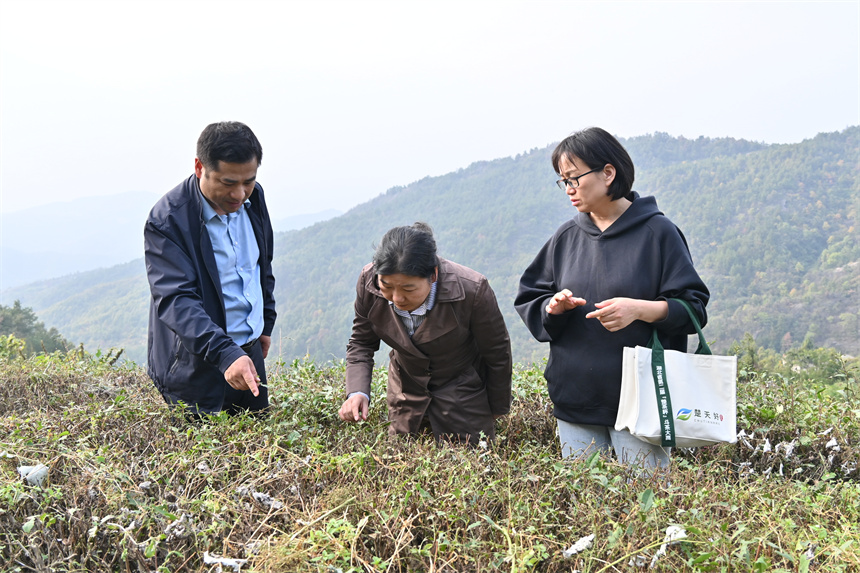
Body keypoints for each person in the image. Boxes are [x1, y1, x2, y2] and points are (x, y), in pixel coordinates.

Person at [514, 127, 709, 468]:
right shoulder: (567, 236)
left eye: (574, 178)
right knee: (586, 508)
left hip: (641, 402)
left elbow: (693, 308)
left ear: (608, 172)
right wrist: (553, 307)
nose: (569, 190)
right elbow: (531, 296)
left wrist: (639, 310)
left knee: (648, 507)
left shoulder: (658, 233)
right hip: (576, 400)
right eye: (563, 181)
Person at [144, 121, 276, 416]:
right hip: (196, 366)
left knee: (257, 450)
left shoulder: (255, 199)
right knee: (205, 457)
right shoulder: (168, 221)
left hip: (249, 356)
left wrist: (265, 323)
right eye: (228, 183)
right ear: (199, 167)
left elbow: (261, 265)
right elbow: (177, 301)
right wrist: (226, 354)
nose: (240, 194)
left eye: (249, 181)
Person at [339, 223, 513, 445]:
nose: (396, 298)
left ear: (433, 275)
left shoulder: (472, 290)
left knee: (467, 469)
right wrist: (357, 392)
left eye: (408, 289)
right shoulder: (368, 282)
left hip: (462, 396)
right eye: (387, 286)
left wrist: (497, 407)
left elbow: (497, 351)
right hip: (405, 395)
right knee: (403, 467)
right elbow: (361, 343)